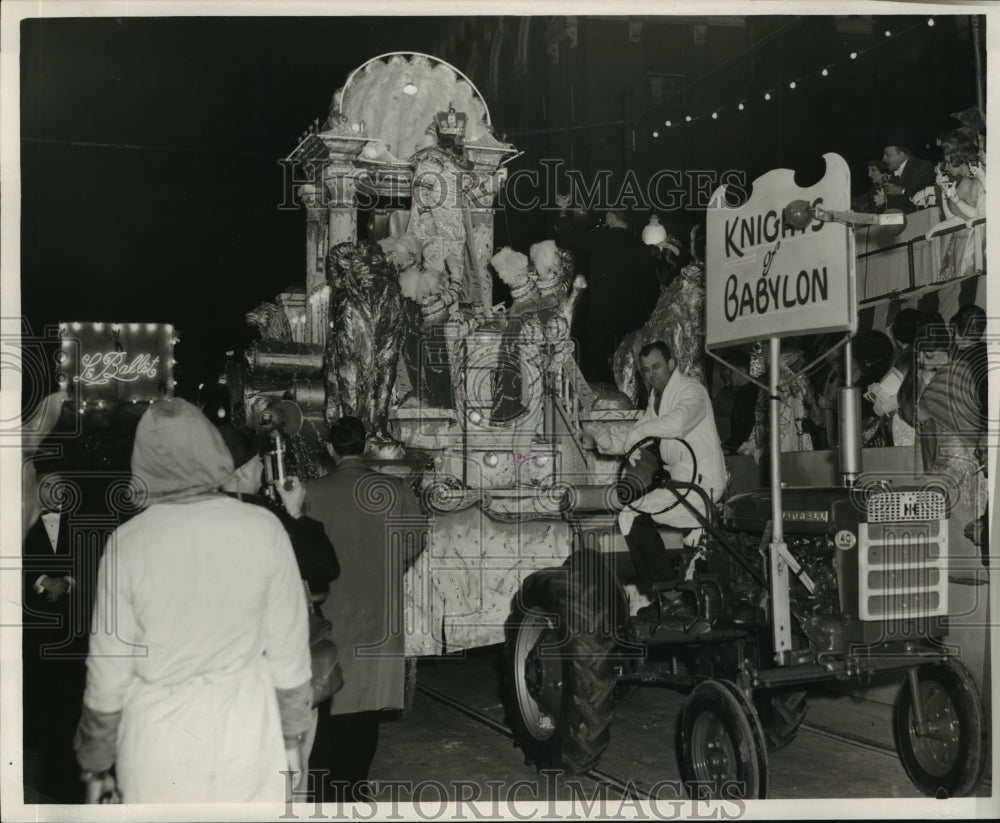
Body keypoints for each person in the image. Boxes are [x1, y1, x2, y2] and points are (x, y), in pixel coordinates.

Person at [74, 399, 312, 803]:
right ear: (212, 450)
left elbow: (108, 667)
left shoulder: (129, 542)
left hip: (158, 741)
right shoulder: (262, 528)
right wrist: (292, 740)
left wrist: (96, 760)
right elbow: (289, 651)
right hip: (246, 733)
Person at [305, 416, 428, 803]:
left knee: (328, 701)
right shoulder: (395, 489)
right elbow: (414, 541)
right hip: (378, 610)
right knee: (366, 706)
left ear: (330, 449)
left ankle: (324, 794)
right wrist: (386, 570)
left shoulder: (311, 491)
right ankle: (355, 787)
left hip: (329, 611)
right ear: (366, 447)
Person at [217, 424, 341, 783]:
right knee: (288, 780)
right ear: (240, 470)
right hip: (273, 675)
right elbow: (325, 568)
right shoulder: (267, 520)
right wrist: (298, 514)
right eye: (257, 462)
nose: (261, 470)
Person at [582, 341, 726, 609]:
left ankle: (671, 596)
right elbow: (639, 433)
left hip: (702, 484)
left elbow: (678, 422)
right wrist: (607, 440)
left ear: (672, 365)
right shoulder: (656, 399)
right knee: (630, 514)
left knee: (632, 514)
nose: (651, 375)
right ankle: (669, 595)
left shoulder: (692, 391)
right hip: (681, 483)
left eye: (657, 367)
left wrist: (639, 434)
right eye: (646, 370)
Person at [554, 203, 658, 383]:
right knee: (630, 358)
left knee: (596, 356)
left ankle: (600, 398)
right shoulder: (640, 247)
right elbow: (652, 286)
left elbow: (567, 236)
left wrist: (563, 210)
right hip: (633, 312)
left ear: (611, 216)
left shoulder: (600, 237)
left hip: (603, 309)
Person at [722, 350, 760, 454]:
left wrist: (730, 447)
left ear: (741, 371)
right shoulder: (747, 392)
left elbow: (745, 426)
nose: (728, 378)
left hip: (746, 449)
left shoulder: (749, 394)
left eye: (731, 373)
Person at [880, 143, 937, 213]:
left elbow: (928, 196)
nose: (884, 159)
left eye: (887, 155)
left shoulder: (924, 167)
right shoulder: (894, 175)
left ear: (901, 154)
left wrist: (902, 191)